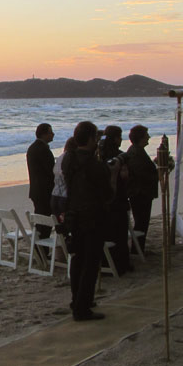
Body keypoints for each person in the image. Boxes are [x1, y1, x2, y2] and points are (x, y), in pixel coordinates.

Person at [62, 121, 114, 321]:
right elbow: (107, 193)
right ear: (91, 139)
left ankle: (77, 300)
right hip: (92, 216)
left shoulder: (69, 159)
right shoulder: (94, 165)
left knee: (77, 259)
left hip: (74, 213)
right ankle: (82, 307)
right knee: (90, 263)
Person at [102, 125, 132, 275]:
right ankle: (120, 264)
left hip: (104, 200)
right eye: (119, 137)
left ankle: (108, 262)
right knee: (120, 233)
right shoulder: (119, 157)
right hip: (117, 198)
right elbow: (125, 178)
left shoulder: (100, 155)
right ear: (115, 138)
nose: (121, 140)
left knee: (108, 232)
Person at [125, 124, 157, 254]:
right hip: (140, 192)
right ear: (141, 137)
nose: (148, 137)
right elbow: (142, 173)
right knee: (141, 221)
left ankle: (139, 248)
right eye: (146, 135)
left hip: (141, 191)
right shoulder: (136, 152)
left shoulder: (136, 151)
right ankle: (137, 249)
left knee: (142, 221)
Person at [27, 123, 55, 238]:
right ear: (44, 134)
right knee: (45, 222)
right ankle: (43, 249)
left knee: (40, 221)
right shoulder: (43, 149)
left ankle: (40, 248)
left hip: (35, 189)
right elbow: (50, 170)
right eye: (50, 132)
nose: (53, 134)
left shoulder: (32, 147)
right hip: (44, 190)